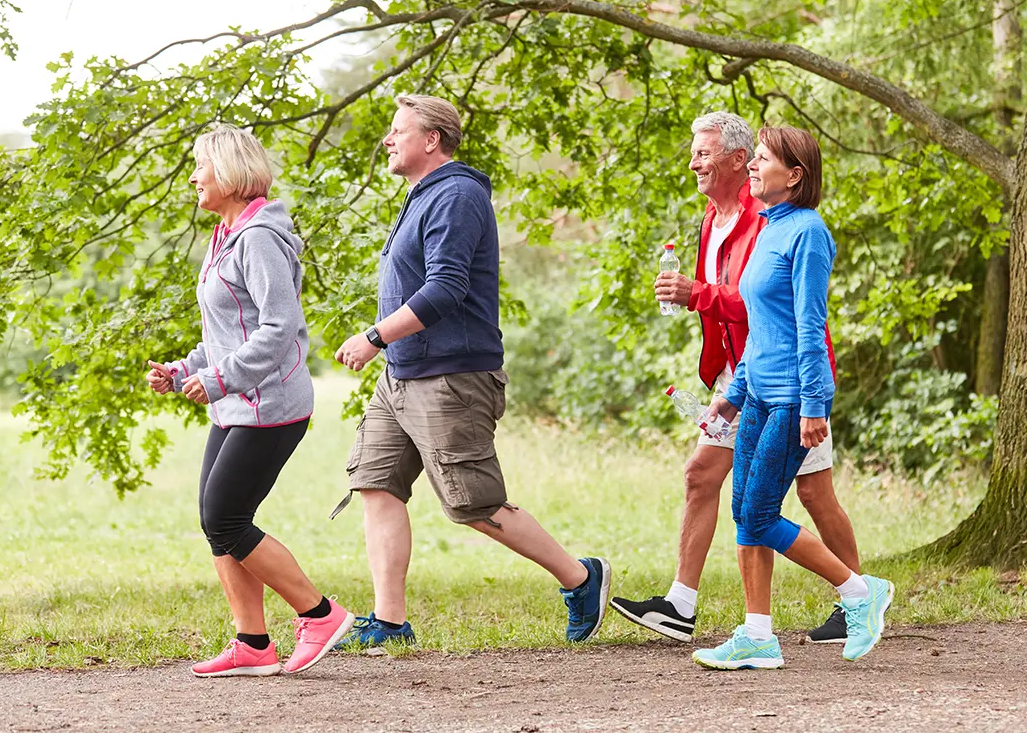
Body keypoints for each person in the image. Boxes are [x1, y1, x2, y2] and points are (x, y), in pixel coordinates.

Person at [332, 94, 610, 647]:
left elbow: (446, 287)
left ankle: (581, 578)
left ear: (431, 139)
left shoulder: (456, 194)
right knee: (376, 484)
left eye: (397, 131)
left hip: (451, 376)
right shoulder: (422, 196)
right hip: (403, 374)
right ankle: (389, 621)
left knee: (473, 504)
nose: (387, 140)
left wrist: (373, 336)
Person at [610, 112, 859, 645]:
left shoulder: (769, 218)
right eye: (695, 151)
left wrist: (695, 293)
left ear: (738, 159)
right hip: (743, 375)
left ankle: (856, 597)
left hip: (788, 378)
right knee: (705, 477)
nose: (694, 161)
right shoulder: (712, 218)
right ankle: (691, 607)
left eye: (704, 152)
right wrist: (728, 383)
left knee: (810, 494)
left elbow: (768, 308)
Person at [145, 124, 354, 677]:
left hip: (272, 404)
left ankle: (320, 614)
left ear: (231, 174)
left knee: (226, 517)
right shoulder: (226, 234)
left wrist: (218, 378)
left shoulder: (260, 237)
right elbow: (228, 330)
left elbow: (280, 327)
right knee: (217, 521)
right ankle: (252, 643)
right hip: (239, 402)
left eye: (202, 167)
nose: (193, 176)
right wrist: (185, 368)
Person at [690, 126, 894, 670]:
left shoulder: (808, 233)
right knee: (743, 513)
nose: (752, 168)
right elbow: (762, 328)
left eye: (761, 160)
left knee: (757, 516)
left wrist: (813, 404)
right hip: (758, 395)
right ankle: (758, 635)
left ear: (794, 175)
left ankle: (859, 592)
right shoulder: (768, 227)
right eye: (753, 159)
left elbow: (810, 325)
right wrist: (732, 396)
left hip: (789, 400)